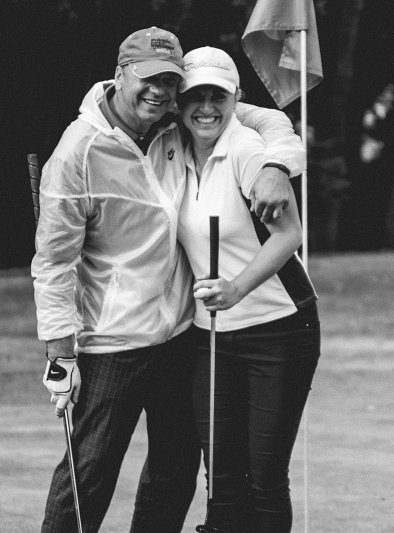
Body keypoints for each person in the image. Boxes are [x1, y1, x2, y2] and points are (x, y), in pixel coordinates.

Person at [33, 27, 305, 533]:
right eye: (149, 79)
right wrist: (59, 350)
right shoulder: (78, 152)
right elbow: (53, 262)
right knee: (89, 472)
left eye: (168, 82)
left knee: (174, 469)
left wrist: (277, 163)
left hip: (180, 333)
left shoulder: (172, 123)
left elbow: (265, 118)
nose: (159, 92)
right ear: (120, 75)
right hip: (113, 339)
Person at [175, 46, 320, 533]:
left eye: (217, 96)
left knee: (264, 477)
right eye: (195, 96)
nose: (206, 108)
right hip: (209, 334)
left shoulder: (247, 149)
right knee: (220, 476)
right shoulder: (171, 148)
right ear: (179, 101)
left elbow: (289, 234)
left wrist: (236, 288)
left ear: (235, 98)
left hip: (278, 328)